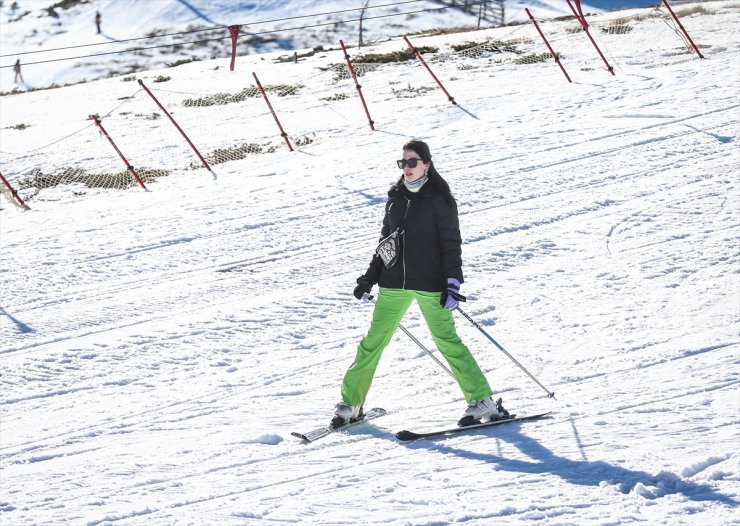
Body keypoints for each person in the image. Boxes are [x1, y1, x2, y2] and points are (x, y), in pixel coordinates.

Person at [332, 139, 507, 428]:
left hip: (430, 284)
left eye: (413, 162)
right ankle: (351, 403)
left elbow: (451, 244)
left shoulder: (440, 199)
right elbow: (385, 244)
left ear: (427, 164)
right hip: (393, 284)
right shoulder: (396, 198)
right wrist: (369, 278)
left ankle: (482, 399)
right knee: (372, 344)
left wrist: (452, 283)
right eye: (403, 163)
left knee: (448, 342)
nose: (407, 168)